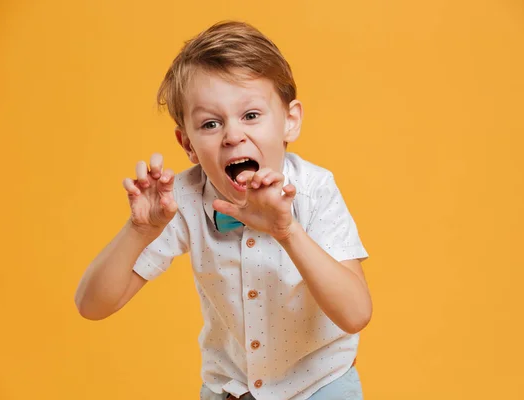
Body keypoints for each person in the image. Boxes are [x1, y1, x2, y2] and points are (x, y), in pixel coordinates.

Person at [75, 20, 372, 400]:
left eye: (250, 116)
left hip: (321, 385)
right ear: (188, 144)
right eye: (211, 123)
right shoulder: (180, 198)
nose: (233, 136)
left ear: (290, 121)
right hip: (231, 391)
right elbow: (92, 305)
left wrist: (287, 231)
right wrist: (140, 231)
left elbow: (356, 313)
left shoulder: (314, 189)